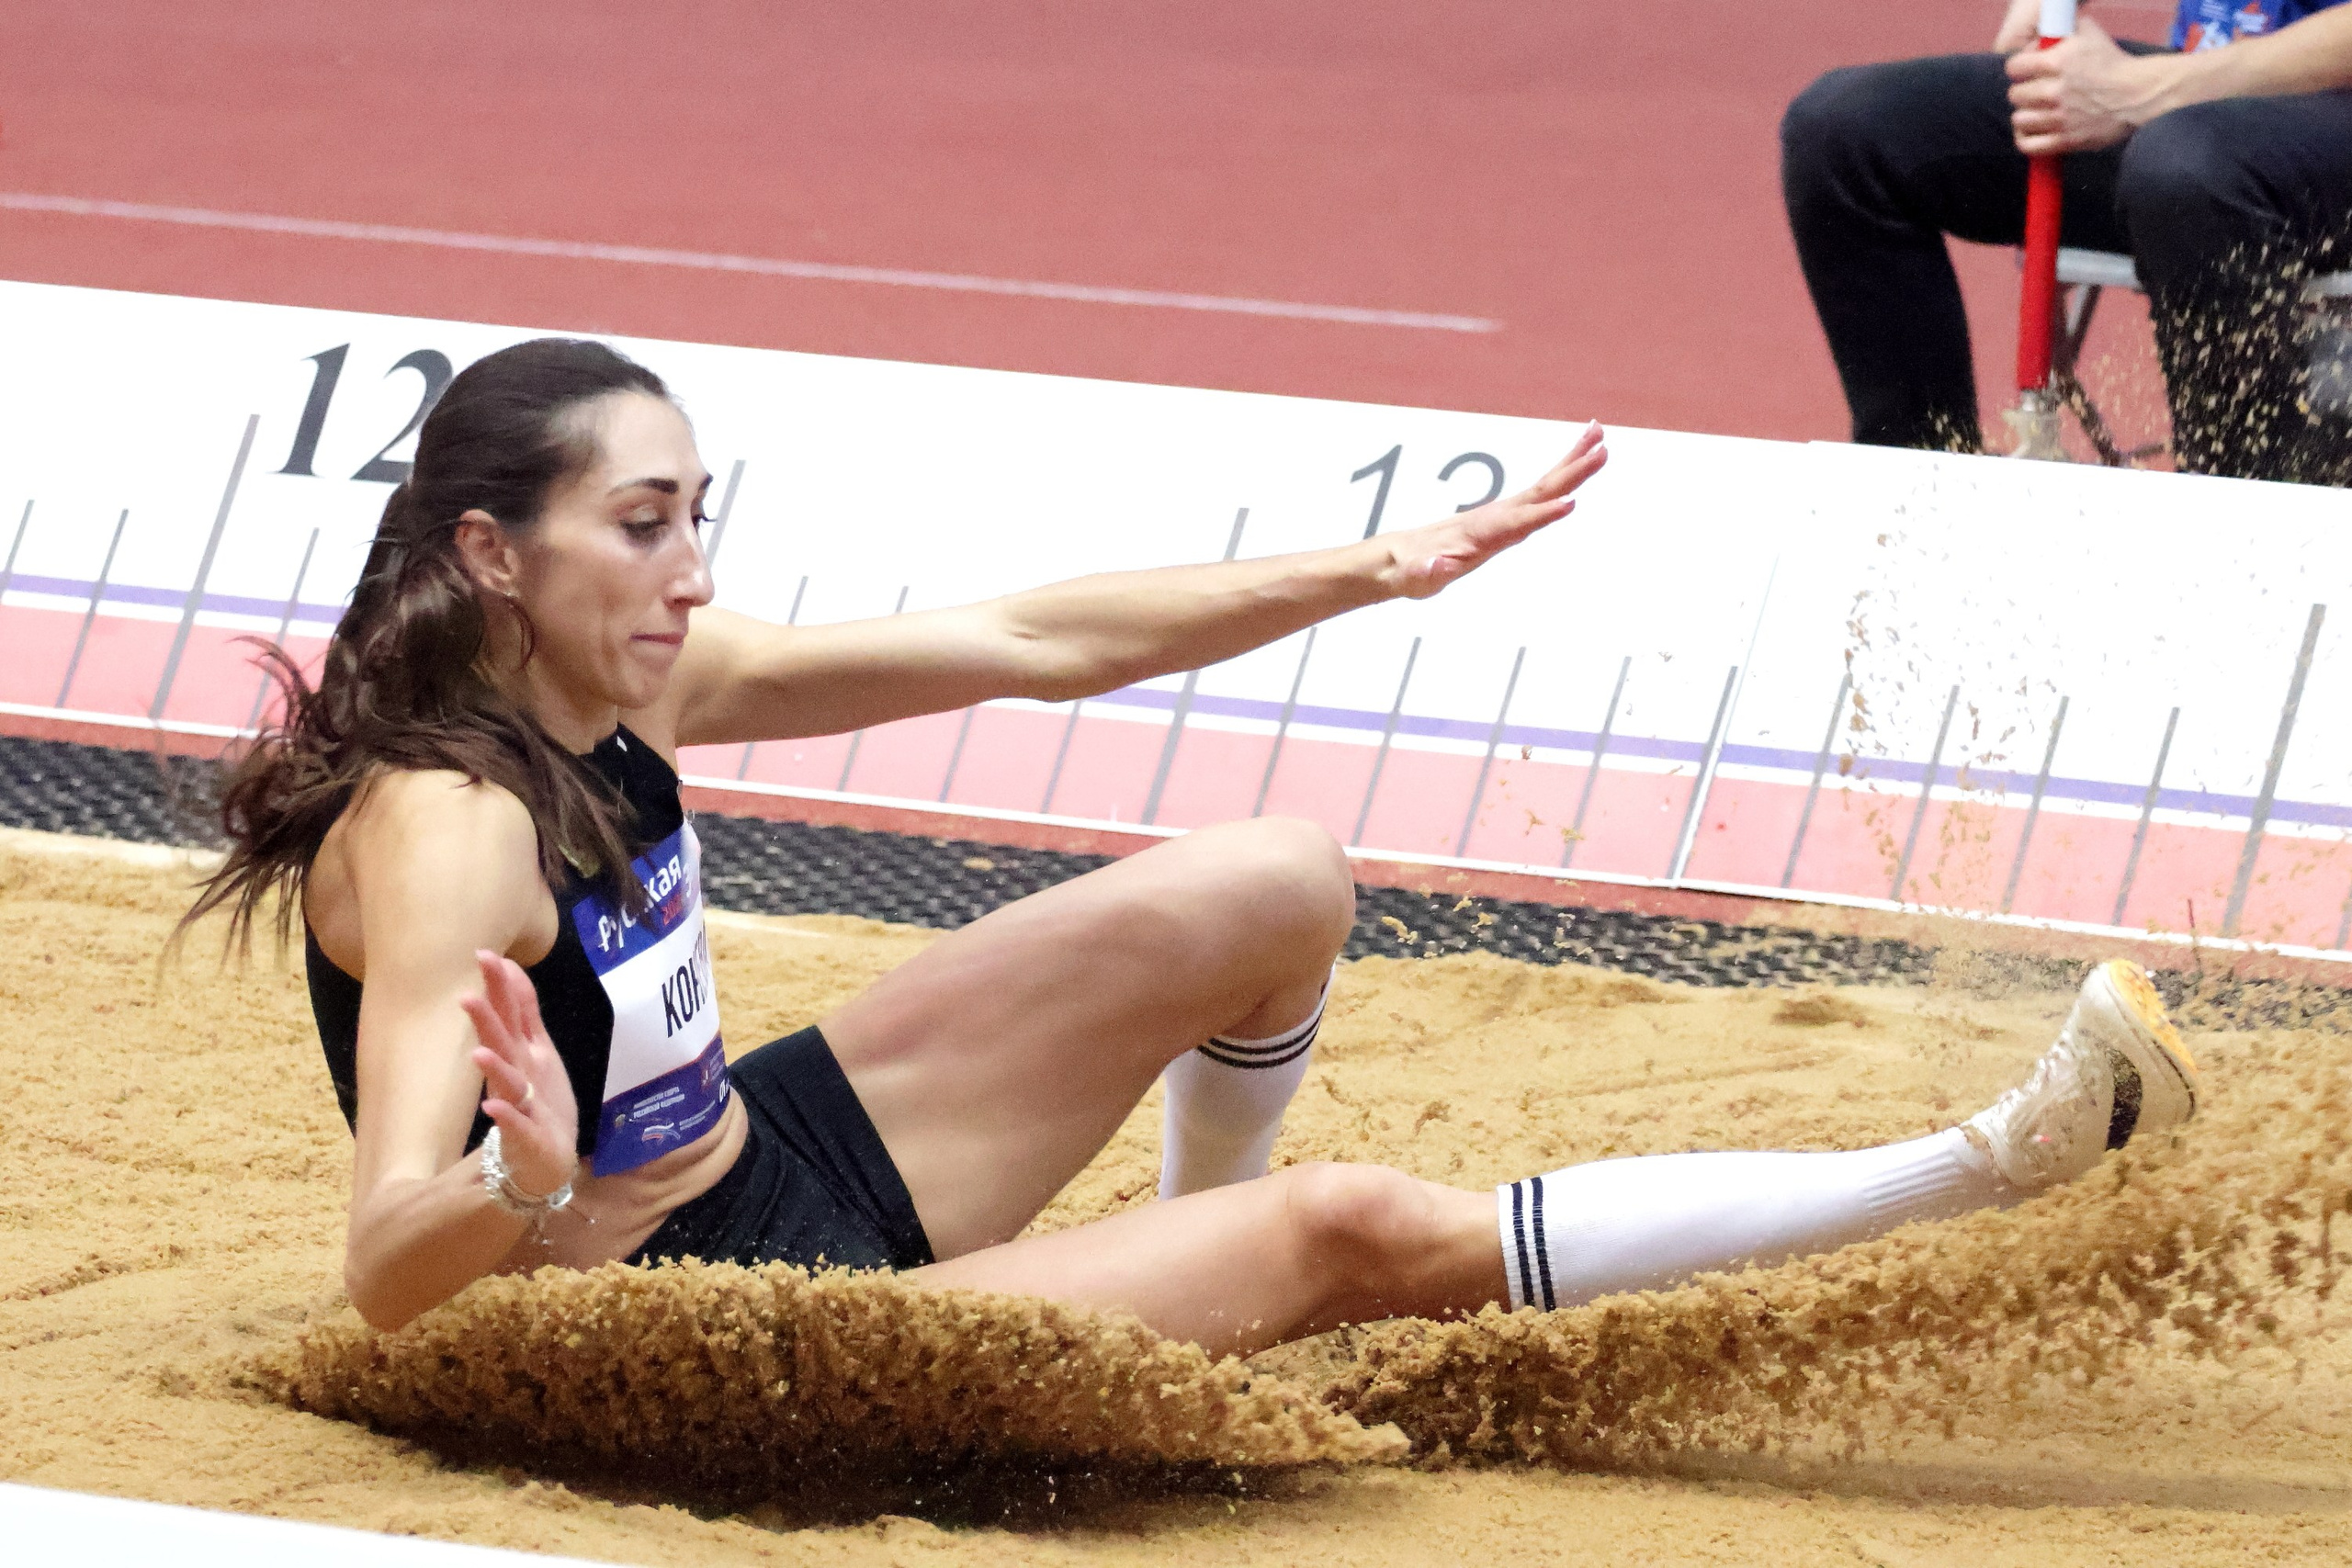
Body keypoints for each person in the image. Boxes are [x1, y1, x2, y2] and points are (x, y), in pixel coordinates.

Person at [187, 338, 2200, 1348]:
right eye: (644, 525)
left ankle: (1185, 1308)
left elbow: (1030, 640)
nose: (694, 568)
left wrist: (1376, 565)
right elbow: (386, 1265)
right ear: (488, 550)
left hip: (780, 1160)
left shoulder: (631, 683)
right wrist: (519, 1174)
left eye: (697, 511)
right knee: (1351, 1231)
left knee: (1276, 877)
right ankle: (1958, 1167)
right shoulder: (448, 828)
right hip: (699, 1324)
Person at [1781, 0, 2352, 482]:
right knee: (1845, 134)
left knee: (2185, 172)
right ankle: (1912, 513)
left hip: (2266, 122)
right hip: (2210, 86)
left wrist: (2140, 91)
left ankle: (2251, 533)